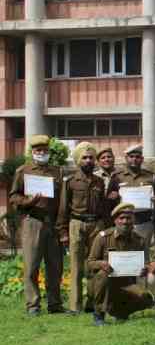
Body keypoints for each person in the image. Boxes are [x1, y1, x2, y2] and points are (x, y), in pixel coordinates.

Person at [9, 134, 65, 316]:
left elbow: (62, 200)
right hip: (32, 221)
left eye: (45, 150)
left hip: (53, 222)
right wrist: (28, 201)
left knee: (55, 266)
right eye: (38, 150)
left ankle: (55, 304)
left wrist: (61, 224)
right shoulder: (23, 171)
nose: (42, 153)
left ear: (49, 151)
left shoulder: (57, 172)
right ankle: (33, 305)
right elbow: (13, 197)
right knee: (32, 265)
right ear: (32, 152)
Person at [57, 142, 106, 314]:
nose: (88, 161)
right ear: (78, 160)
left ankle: (92, 303)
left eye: (91, 158)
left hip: (96, 224)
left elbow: (103, 207)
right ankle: (74, 306)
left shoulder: (100, 181)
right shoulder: (70, 181)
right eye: (84, 158)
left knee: (94, 264)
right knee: (76, 266)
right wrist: (63, 232)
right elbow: (63, 207)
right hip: (76, 224)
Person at [87, 203, 154, 326]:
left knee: (146, 298)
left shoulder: (139, 240)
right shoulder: (103, 237)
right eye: (121, 218)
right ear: (115, 220)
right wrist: (102, 264)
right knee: (103, 275)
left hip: (126, 283)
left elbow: (146, 263)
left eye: (129, 218)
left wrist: (144, 269)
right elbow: (90, 263)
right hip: (104, 283)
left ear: (133, 220)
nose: (125, 221)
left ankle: (120, 311)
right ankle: (99, 315)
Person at [111, 145, 155, 245]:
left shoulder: (151, 176)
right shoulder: (117, 176)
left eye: (137, 157)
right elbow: (109, 198)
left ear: (142, 159)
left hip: (144, 221)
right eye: (131, 156)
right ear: (126, 158)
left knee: (144, 252)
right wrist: (113, 196)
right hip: (123, 221)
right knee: (123, 250)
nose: (134, 159)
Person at [94, 147, 120, 226]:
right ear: (98, 162)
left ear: (114, 158)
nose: (106, 159)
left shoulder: (121, 174)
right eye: (103, 158)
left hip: (120, 215)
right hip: (101, 217)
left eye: (109, 157)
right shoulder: (94, 177)